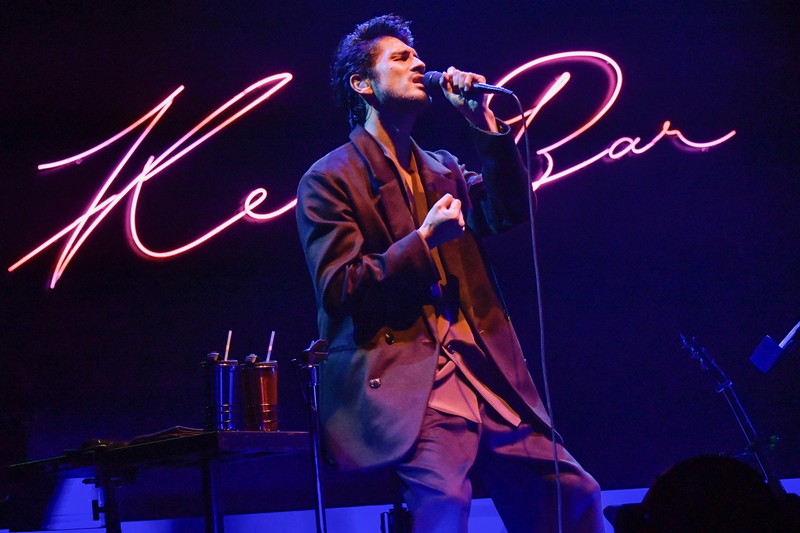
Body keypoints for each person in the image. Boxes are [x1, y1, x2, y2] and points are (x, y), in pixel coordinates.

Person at [296, 14, 603, 532]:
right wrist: (422, 242)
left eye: (417, 55)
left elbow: (508, 211)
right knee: (442, 510)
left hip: (486, 377)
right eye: (401, 58)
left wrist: (483, 122)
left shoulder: (444, 168)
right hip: (417, 386)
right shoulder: (329, 178)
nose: (419, 64)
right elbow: (339, 286)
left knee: (573, 495)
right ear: (362, 84)